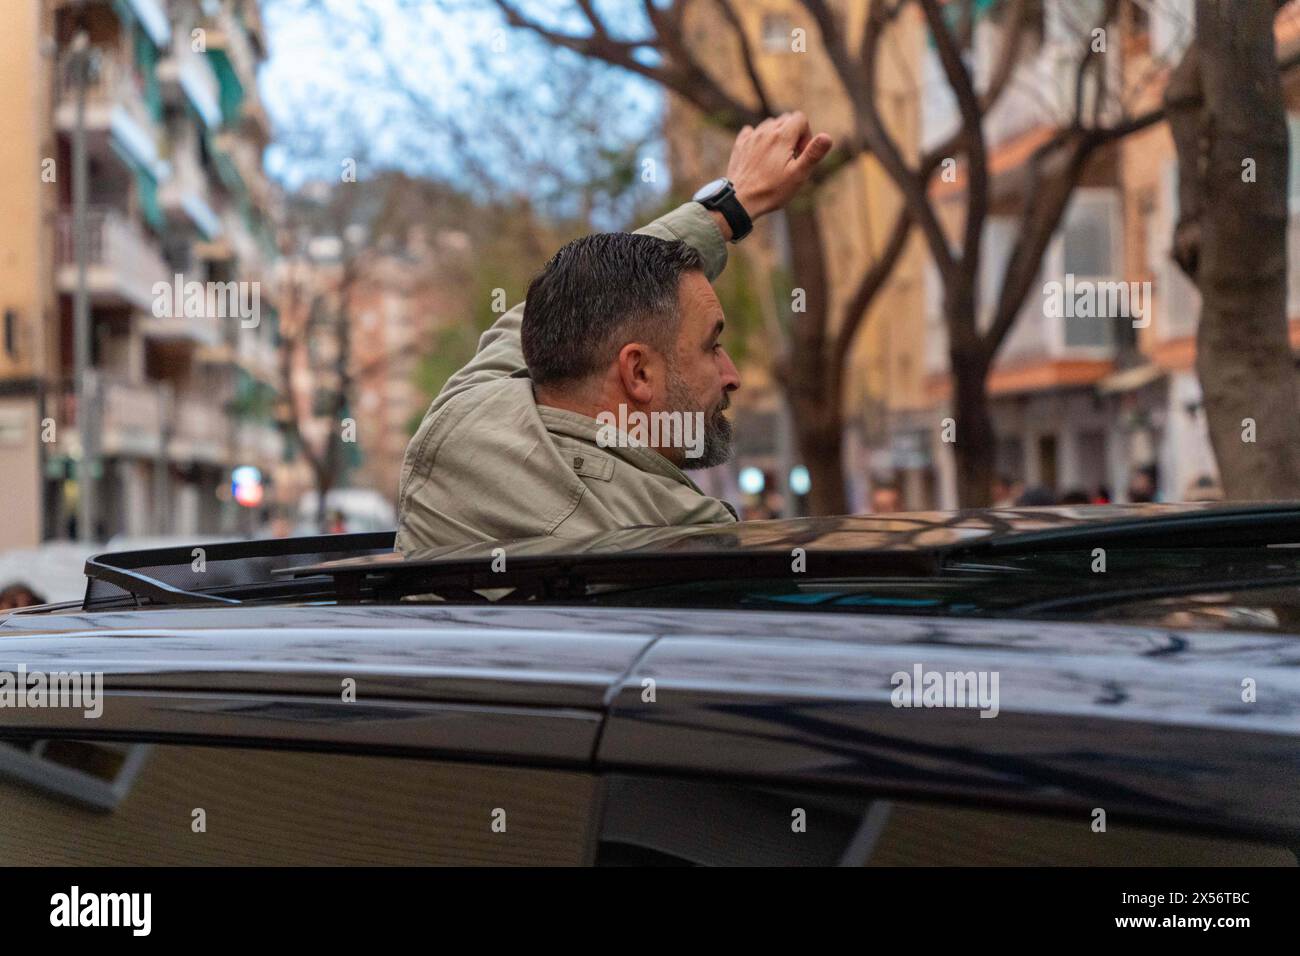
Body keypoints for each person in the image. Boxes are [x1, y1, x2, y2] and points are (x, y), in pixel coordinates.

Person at [396, 114, 833, 552]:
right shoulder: (689, 536)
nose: (731, 374)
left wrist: (726, 210)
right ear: (637, 372)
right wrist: (733, 207)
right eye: (711, 346)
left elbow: (569, 306)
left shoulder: (462, 431)